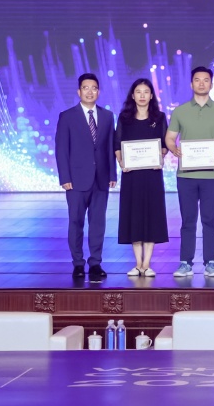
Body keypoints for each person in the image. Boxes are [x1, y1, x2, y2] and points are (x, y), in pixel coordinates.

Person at [165, 66, 214, 279]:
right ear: (191, 84)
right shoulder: (180, 111)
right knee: (188, 221)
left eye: (206, 80)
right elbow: (170, 137)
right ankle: (185, 262)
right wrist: (174, 149)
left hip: (211, 175)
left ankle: (211, 262)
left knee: (209, 220)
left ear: (211, 84)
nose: (202, 83)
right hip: (185, 175)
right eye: (197, 80)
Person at [54, 72, 116, 281]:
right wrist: (64, 177)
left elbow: (110, 147)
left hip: (101, 179)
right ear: (79, 91)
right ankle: (78, 263)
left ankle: (95, 263)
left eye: (94, 88)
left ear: (99, 92)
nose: (90, 92)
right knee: (76, 222)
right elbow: (61, 149)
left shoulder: (107, 116)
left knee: (98, 223)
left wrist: (112, 173)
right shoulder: (67, 116)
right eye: (86, 88)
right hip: (76, 180)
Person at [114, 78, 168, 277]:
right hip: (131, 176)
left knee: (151, 215)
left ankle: (147, 263)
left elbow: (164, 144)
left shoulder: (159, 117)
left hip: (152, 175)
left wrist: (160, 156)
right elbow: (117, 144)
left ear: (151, 95)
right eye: (139, 91)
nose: (142, 95)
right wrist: (122, 162)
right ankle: (138, 263)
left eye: (146, 92)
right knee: (134, 215)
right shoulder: (124, 118)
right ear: (133, 95)